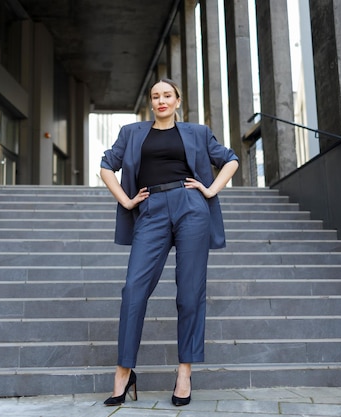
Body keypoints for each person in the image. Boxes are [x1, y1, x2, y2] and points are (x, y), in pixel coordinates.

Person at [99, 78, 239, 407]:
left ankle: (184, 372)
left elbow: (230, 159)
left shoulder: (198, 133)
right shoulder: (132, 133)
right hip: (151, 209)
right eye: (155, 96)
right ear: (151, 103)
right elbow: (107, 166)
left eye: (167, 96)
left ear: (178, 101)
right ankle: (124, 371)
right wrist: (128, 200)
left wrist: (210, 190)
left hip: (191, 206)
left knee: (189, 292)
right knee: (134, 288)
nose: (161, 101)